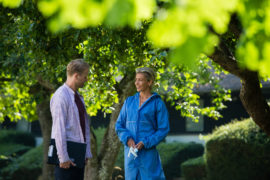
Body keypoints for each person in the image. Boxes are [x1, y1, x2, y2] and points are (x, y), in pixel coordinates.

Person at [115, 67, 170, 180]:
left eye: (140, 80)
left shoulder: (157, 103)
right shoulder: (129, 102)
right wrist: (128, 139)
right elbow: (119, 125)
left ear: (149, 82)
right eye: (136, 79)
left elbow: (163, 129)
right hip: (131, 155)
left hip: (148, 155)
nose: (136, 83)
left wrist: (146, 142)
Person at [50, 59, 92, 180]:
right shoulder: (61, 96)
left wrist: (86, 153)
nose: (86, 79)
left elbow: (83, 128)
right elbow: (59, 129)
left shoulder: (78, 97)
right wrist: (63, 158)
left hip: (78, 158)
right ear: (76, 75)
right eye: (85, 76)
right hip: (66, 161)